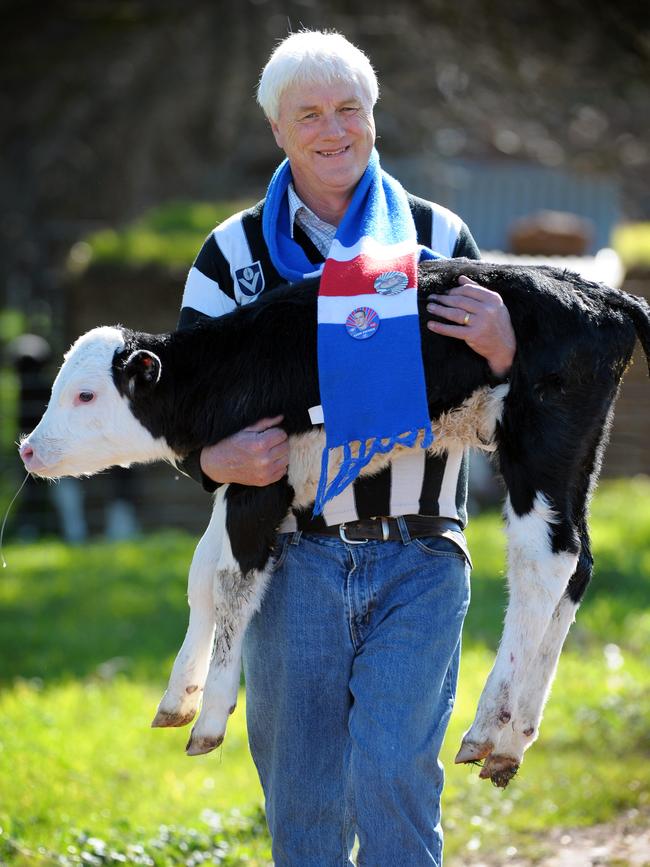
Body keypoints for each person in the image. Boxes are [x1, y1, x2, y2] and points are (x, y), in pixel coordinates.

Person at [179, 30, 516, 867]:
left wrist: (512, 349)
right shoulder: (231, 257)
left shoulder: (438, 235)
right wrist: (213, 462)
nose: (334, 130)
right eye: (310, 115)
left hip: (422, 556)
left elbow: (509, 408)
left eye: (350, 110)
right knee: (305, 796)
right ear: (278, 132)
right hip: (289, 565)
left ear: (373, 118)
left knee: (396, 777)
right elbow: (178, 408)